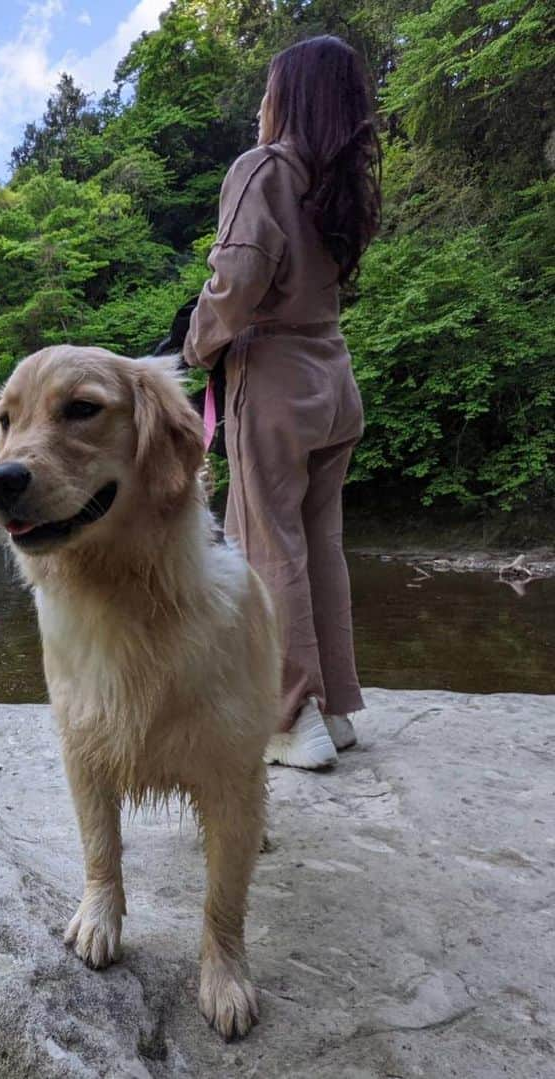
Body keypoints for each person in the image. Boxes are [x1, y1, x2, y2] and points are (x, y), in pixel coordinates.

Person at [182, 35, 381, 769]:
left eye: (269, 89)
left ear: (288, 96)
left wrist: (195, 343)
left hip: (273, 377)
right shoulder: (339, 184)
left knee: (267, 543)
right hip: (334, 376)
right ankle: (335, 708)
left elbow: (236, 281)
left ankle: (288, 716)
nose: (262, 104)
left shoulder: (263, 167)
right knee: (319, 543)